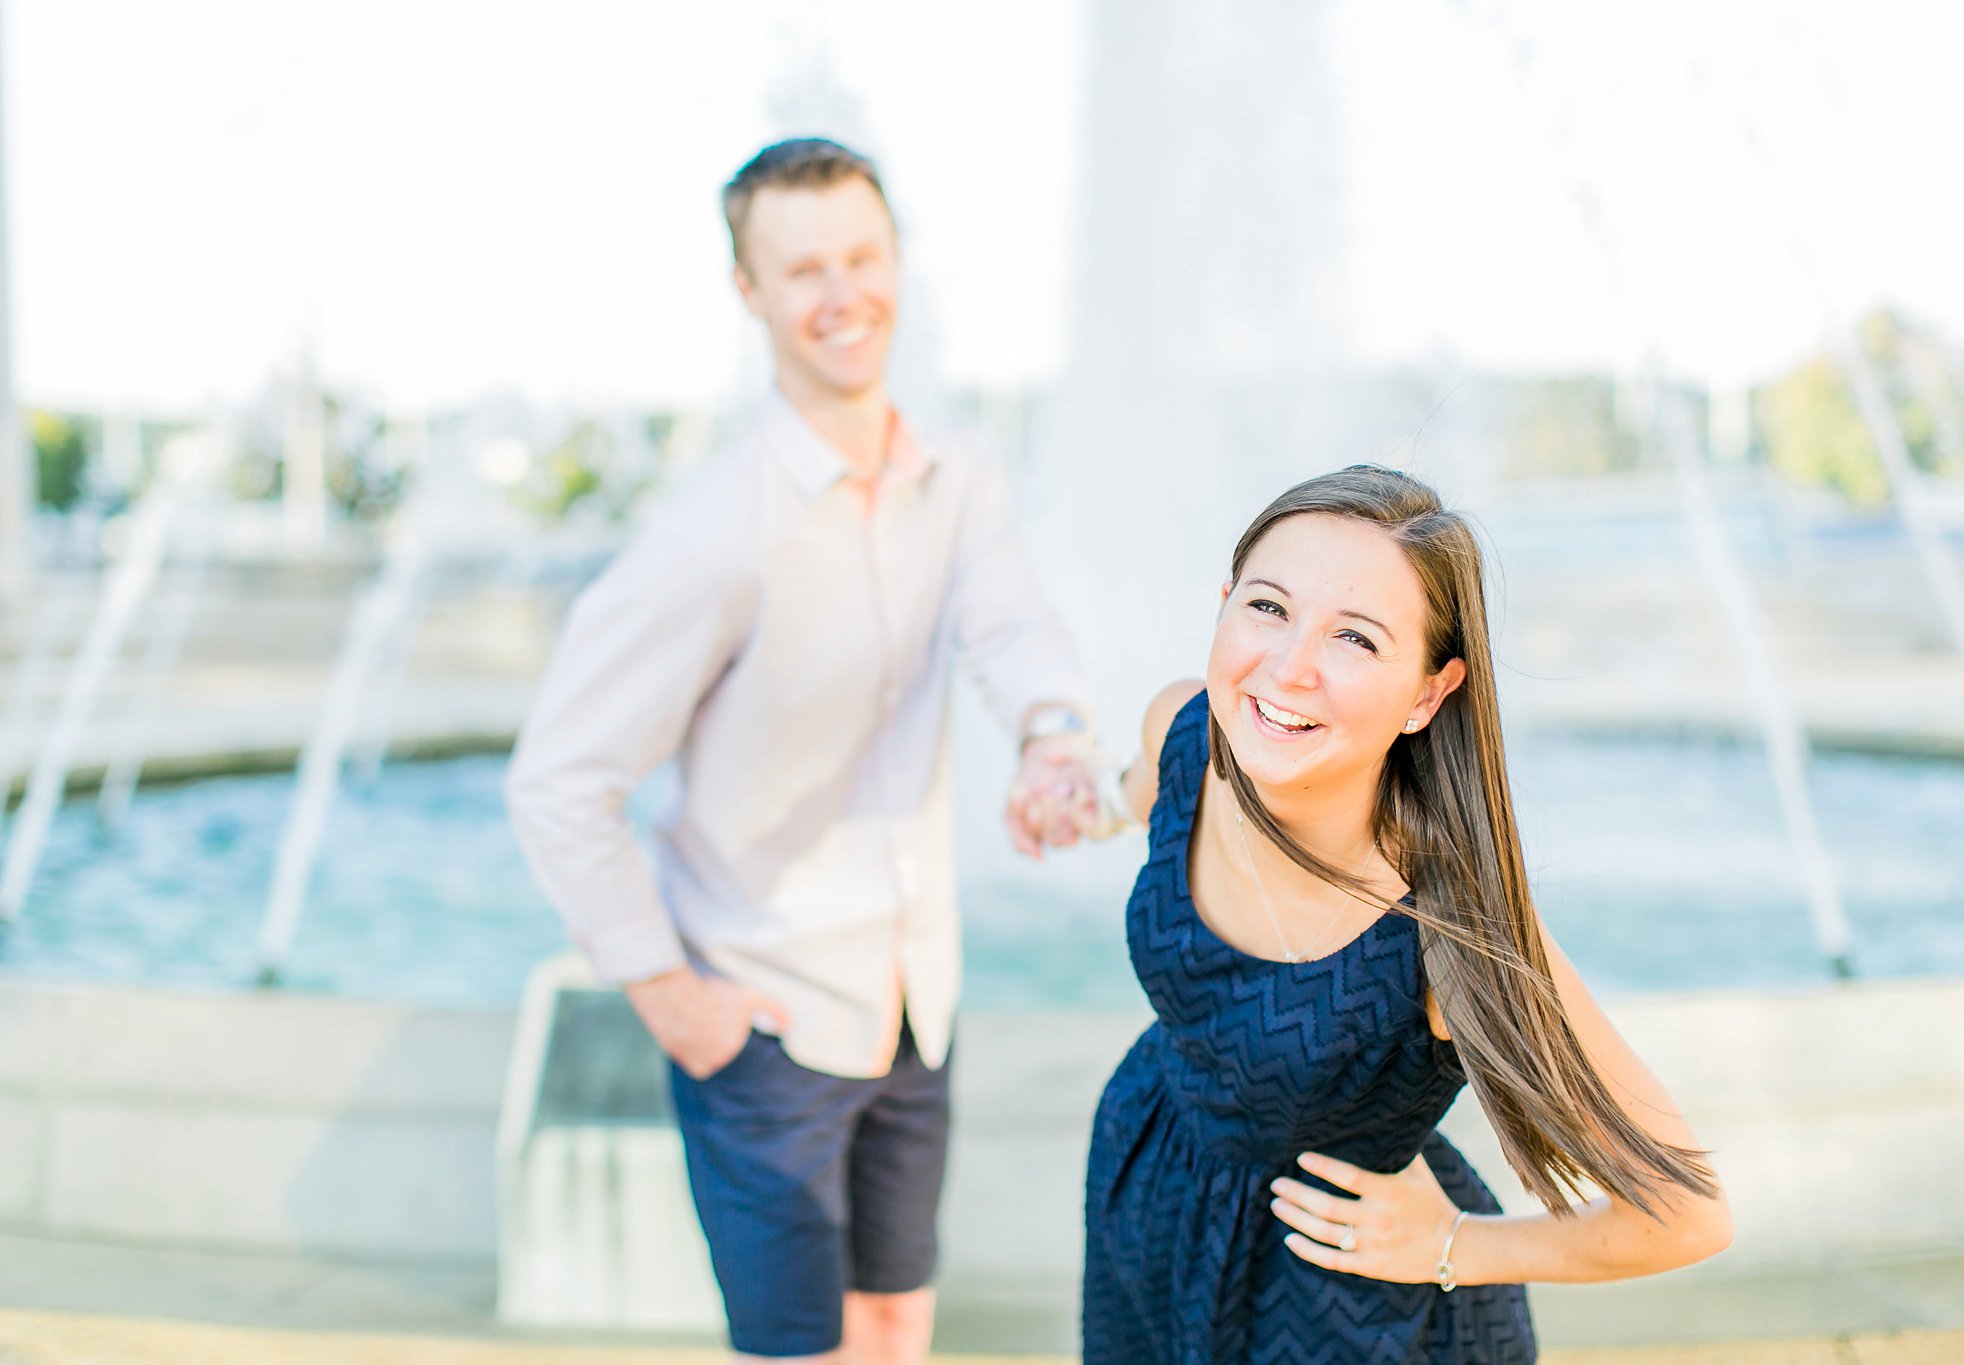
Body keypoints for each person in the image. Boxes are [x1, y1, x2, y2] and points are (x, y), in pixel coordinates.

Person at [504, 137, 1097, 1365]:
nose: (843, 296)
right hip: (765, 1022)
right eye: (803, 269)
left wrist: (1052, 739)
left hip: (914, 1000)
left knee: (892, 1329)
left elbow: (1010, 626)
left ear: (896, 262)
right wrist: (673, 1002)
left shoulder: (957, 477)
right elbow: (558, 781)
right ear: (750, 293)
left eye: (862, 257)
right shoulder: (712, 531)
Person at [1077, 466, 1733, 1362]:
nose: (1289, 666)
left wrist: (1454, 1243)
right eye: (1268, 608)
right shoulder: (1185, 732)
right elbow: (1135, 789)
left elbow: (1686, 1214)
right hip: (1148, 1201)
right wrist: (1082, 797)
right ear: (1224, 604)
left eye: (1355, 637)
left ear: (1427, 692)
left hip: (1333, 1307)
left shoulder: (1446, 930)